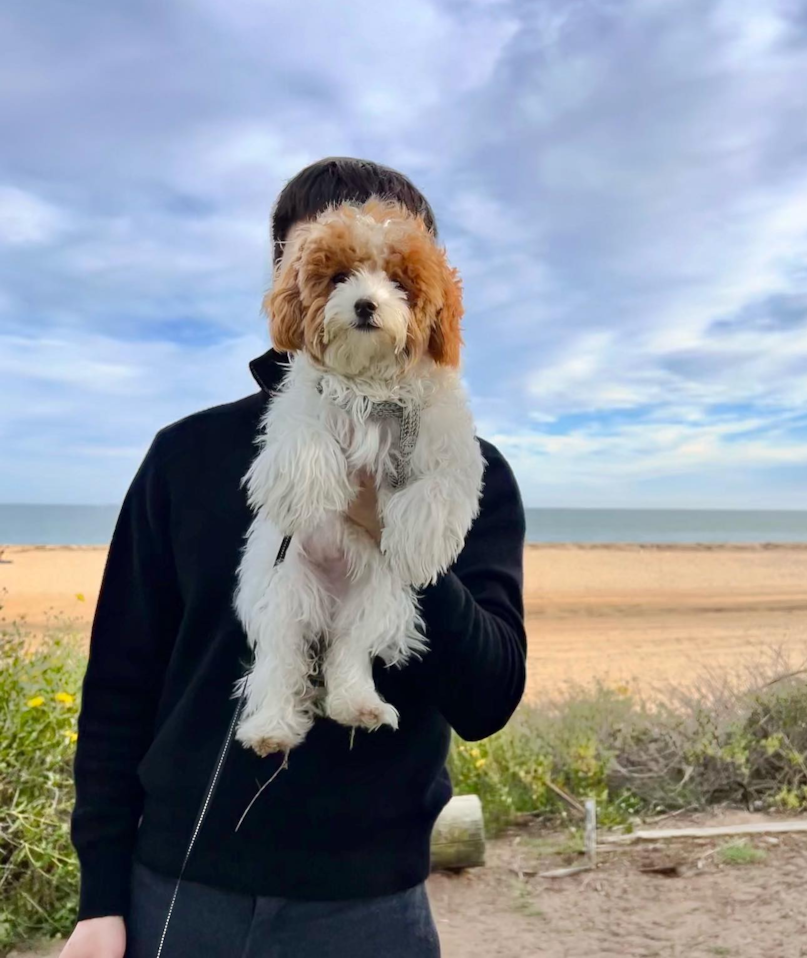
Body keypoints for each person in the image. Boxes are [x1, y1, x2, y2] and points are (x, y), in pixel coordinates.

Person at [62, 158, 526, 958]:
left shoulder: (470, 471)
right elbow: (118, 688)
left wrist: (387, 523)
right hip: (179, 887)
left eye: (396, 273)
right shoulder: (186, 457)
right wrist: (98, 897)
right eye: (341, 268)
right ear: (291, 281)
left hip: (372, 904)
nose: (369, 293)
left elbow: (487, 696)